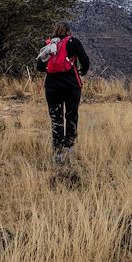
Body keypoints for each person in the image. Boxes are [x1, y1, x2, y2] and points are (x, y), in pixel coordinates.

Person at [36, 22, 90, 164]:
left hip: (52, 87)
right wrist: (82, 71)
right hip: (72, 86)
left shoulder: (48, 45)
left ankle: (57, 153)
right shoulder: (74, 42)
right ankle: (70, 147)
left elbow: (40, 67)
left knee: (56, 118)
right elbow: (85, 60)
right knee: (71, 115)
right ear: (69, 32)